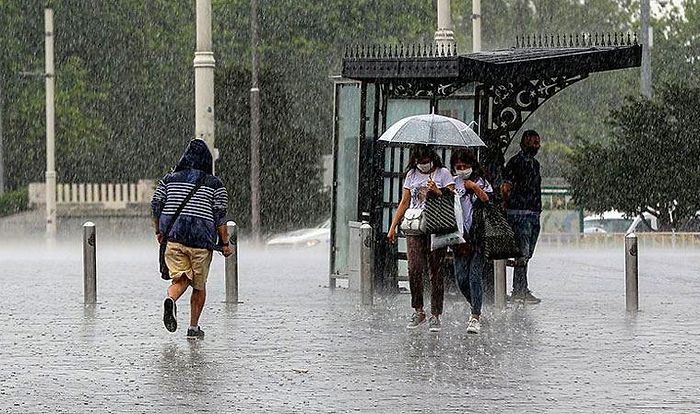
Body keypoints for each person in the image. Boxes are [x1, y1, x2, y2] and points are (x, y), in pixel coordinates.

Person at [151, 138, 233, 339]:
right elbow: (220, 217)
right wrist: (225, 244)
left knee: (182, 278)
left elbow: (156, 205)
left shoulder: (169, 180)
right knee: (199, 285)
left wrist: (159, 230)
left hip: (174, 238)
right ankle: (193, 328)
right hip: (201, 243)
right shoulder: (215, 185)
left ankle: (171, 298)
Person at [387, 144, 455, 332]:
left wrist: (437, 191)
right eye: (419, 162)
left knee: (436, 270)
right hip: (415, 225)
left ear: (431, 158)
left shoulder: (443, 174)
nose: (423, 165)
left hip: (436, 226)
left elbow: (452, 199)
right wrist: (393, 226)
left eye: (425, 161)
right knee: (414, 267)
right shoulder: (411, 175)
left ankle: (435, 313)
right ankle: (418, 309)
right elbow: (405, 201)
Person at [450, 149, 492, 334]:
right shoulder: (452, 182)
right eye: (458, 167)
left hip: (478, 236)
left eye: (464, 166)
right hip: (459, 237)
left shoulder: (481, 181)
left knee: (474, 275)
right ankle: (476, 304)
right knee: (461, 278)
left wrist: (474, 187)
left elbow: (488, 199)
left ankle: (475, 315)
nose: (461, 169)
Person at [501, 130, 542, 304]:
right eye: (532, 142)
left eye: (537, 142)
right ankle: (519, 289)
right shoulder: (515, 163)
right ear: (523, 143)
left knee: (527, 252)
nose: (536, 146)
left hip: (532, 213)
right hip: (519, 213)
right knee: (522, 252)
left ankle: (521, 287)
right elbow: (506, 187)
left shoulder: (535, 164)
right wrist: (506, 205)